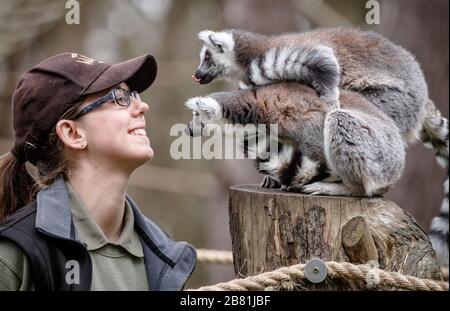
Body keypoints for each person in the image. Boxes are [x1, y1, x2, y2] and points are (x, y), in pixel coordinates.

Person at [0, 52, 196, 291]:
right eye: (120, 97)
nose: (142, 106)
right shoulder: (14, 255)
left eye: (134, 95)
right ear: (73, 134)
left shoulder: (162, 255)